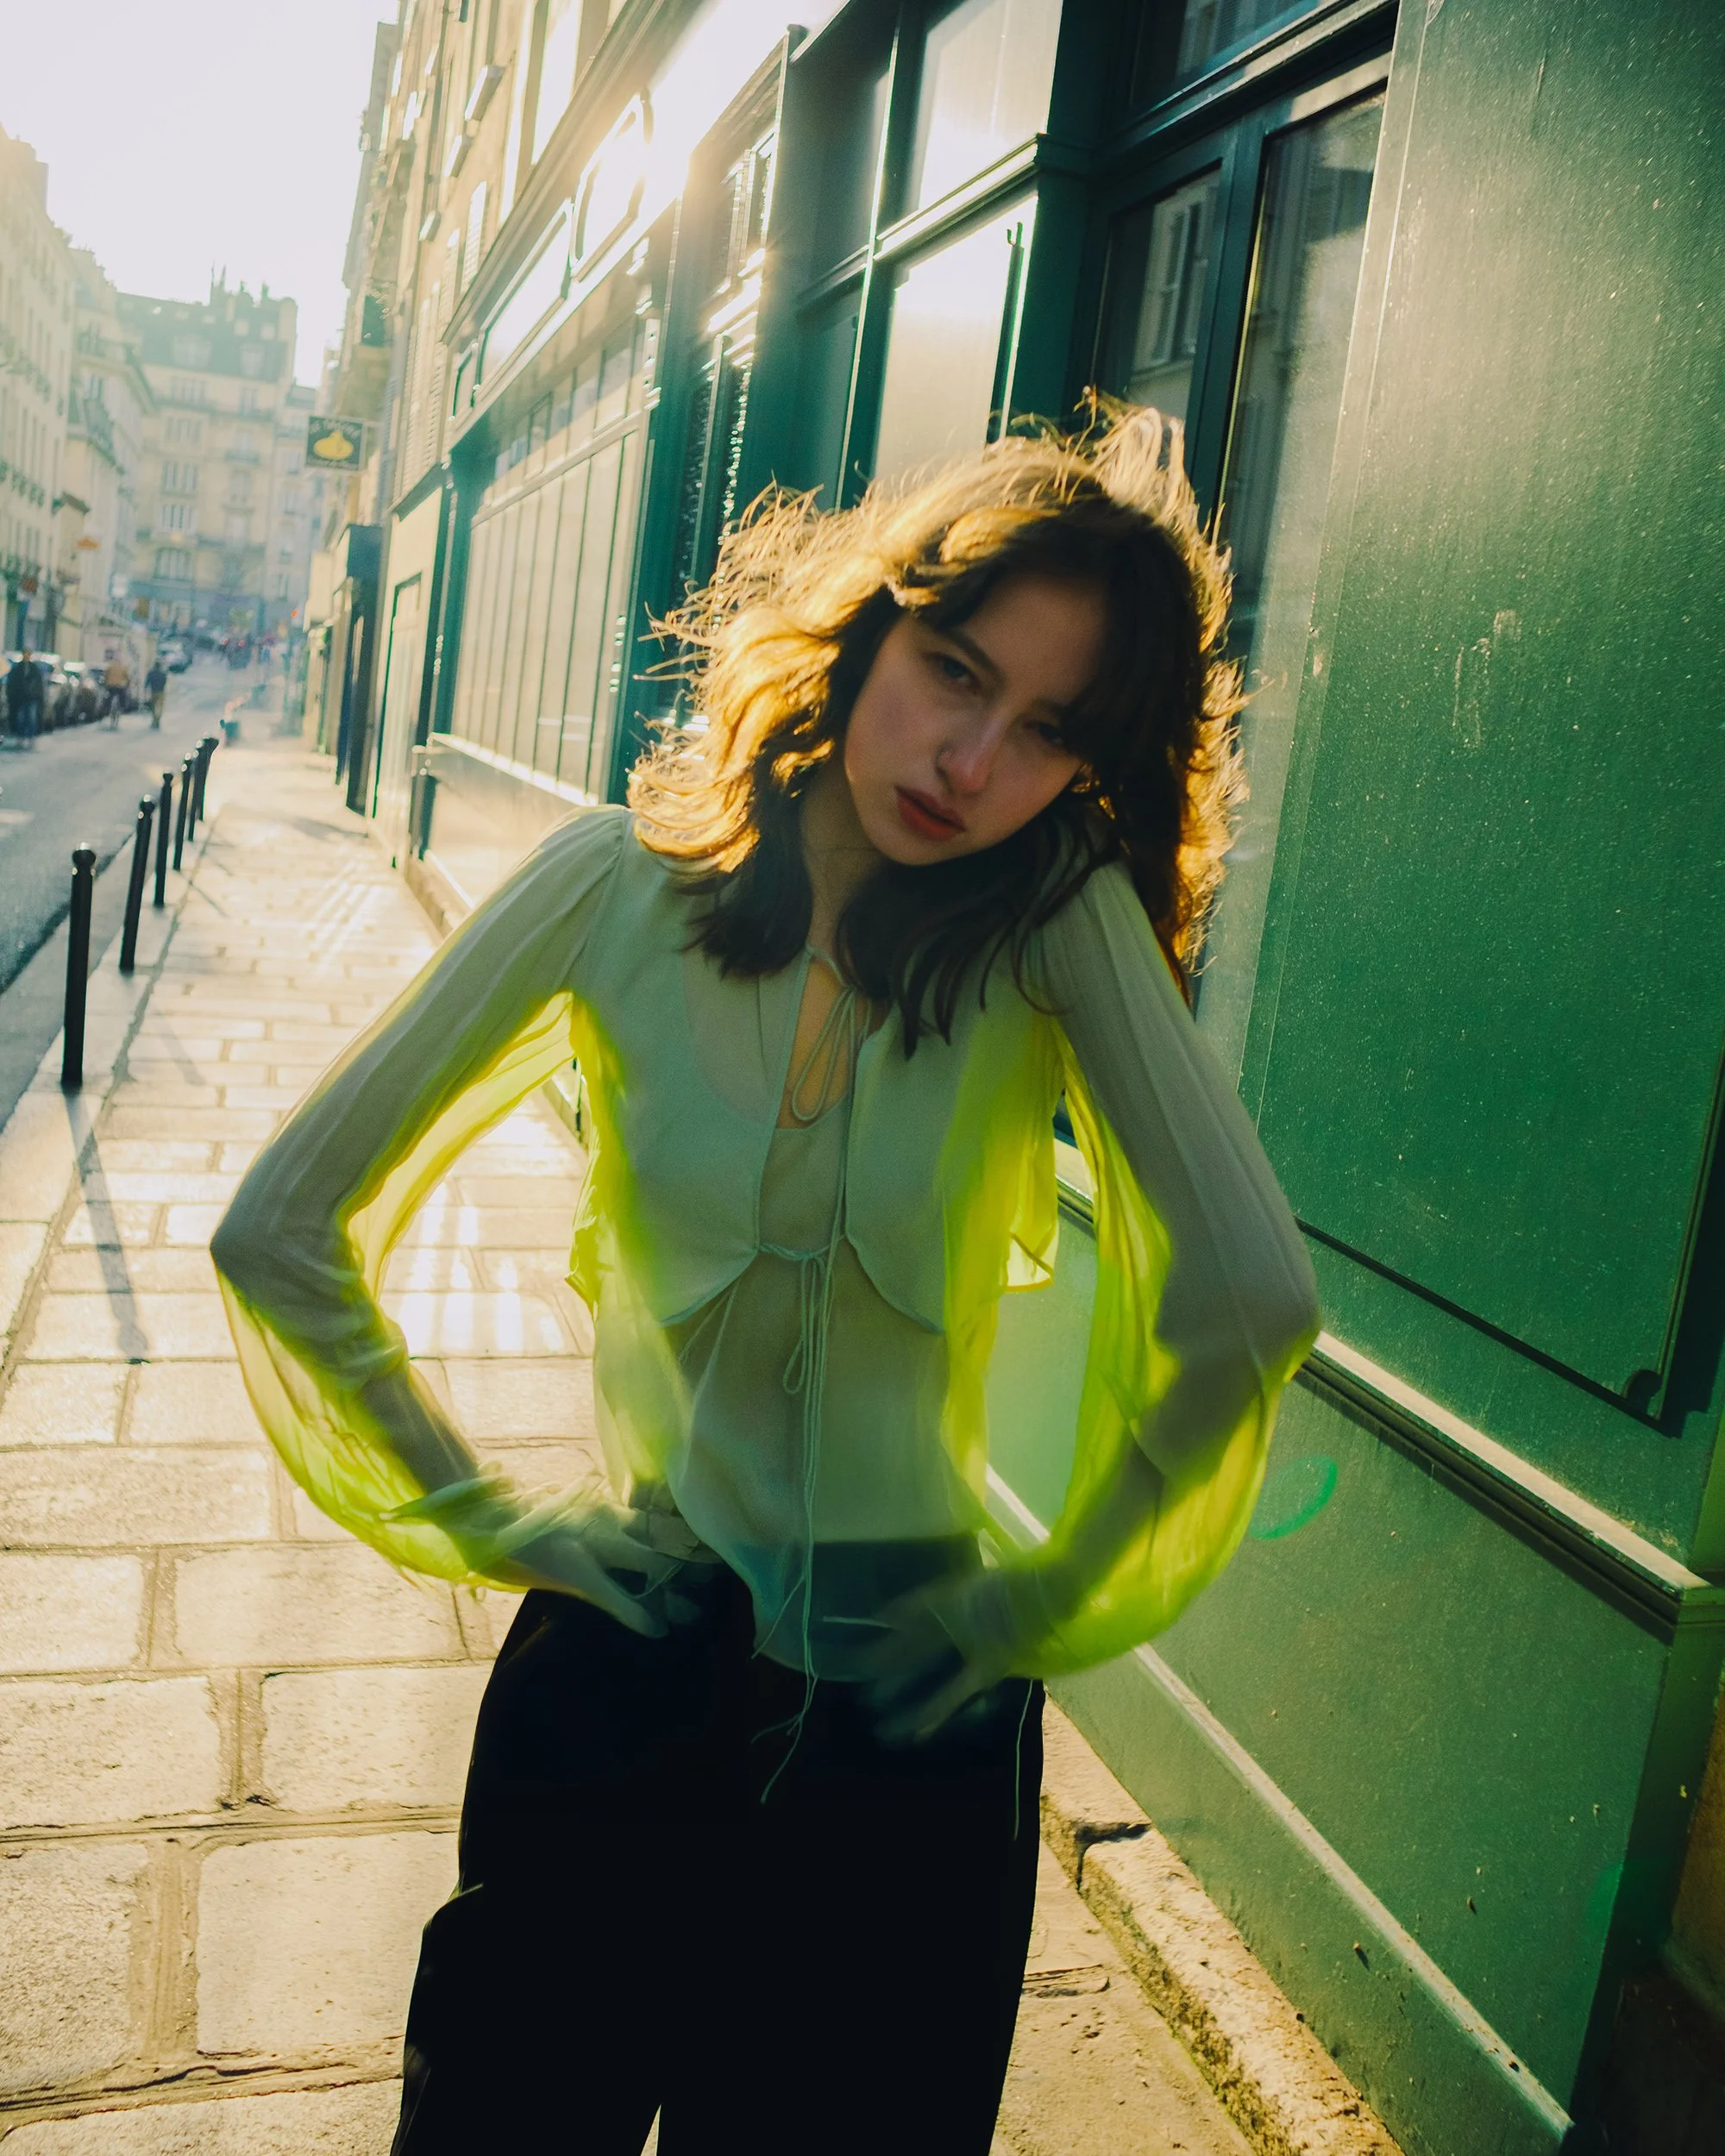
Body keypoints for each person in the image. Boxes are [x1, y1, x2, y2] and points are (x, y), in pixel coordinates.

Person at [210, 405, 1319, 2156]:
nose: (967, 757)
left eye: (1045, 734)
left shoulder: (1052, 925)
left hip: (899, 1746)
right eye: (952, 668)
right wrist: (497, 1518)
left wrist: (1046, 1605)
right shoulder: (605, 884)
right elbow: (276, 1222)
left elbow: (1254, 1299)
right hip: (651, 1678)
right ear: (869, 622)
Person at [5, 649, 43, 747]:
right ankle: (21, 738)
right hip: (20, 698)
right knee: (20, 718)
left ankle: (31, 737)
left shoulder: (34, 668)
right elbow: (13, 683)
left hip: (32, 698)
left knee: (31, 718)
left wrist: (37, 695)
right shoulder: (18, 668)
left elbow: (39, 684)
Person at [102, 653, 130, 727]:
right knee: (122, 697)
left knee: (108, 697)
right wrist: (127, 685)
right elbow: (127, 678)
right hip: (120, 687)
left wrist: (105, 684)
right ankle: (121, 707)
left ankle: (107, 708)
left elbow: (105, 676)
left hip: (110, 686)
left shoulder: (110, 667)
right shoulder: (123, 668)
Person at [144, 657, 168, 729]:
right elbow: (165, 682)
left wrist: (145, 689)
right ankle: (158, 720)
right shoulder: (163, 673)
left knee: (153, 707)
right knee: (160, 707)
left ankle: (154, 719)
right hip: (161, 692)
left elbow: (147, 682)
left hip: (153, 691)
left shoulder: (151, 673)